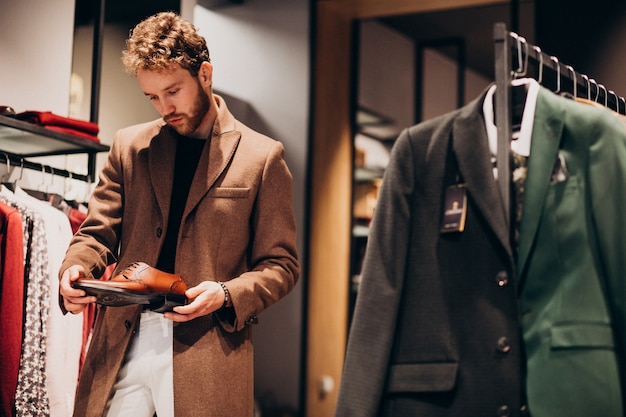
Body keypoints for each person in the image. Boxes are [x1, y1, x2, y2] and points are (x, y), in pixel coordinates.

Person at [58, 11, 299, 417]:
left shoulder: (262, 157)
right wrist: (74, 268)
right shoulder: (130, 145)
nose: (164, 107)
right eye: (152, 96)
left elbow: (281, 266)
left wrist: (225, 294)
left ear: (204, 74)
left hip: (206, 348)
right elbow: (97, 232)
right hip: (122, 338)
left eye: (173, 91)